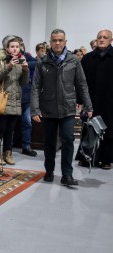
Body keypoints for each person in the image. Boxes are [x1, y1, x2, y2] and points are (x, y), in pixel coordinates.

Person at [31, 29, 93, 186]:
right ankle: (49, 171)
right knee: (49, 143)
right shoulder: (42, 61)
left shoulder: (73, 61)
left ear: (65, 42)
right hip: (48, 108)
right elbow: (36, 87)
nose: (57, 43)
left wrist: (88, 105)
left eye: (60, 40)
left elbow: (82, 84)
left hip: (68, 108)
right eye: (54, 40)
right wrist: (35, 109)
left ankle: (67, 175)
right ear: (50, 42)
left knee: (68, 140)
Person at [0, 36, 29, 165]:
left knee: (10, 130)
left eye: (17, 46)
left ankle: (8, 153)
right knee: (0, 129)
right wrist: (9, 66)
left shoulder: (20, 61)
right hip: (2, 98)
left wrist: (25, 70)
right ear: (7, 48)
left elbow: (24, 82)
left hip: (15, 99)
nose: (14, 49)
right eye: (12, 46)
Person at [80, 29, 113, 169]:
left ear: (111, 40)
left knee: (109, 129)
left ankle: (106, 159)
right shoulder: (87, 58)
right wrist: (80, 100)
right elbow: (80, 82)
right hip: (91, 100)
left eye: (105, 37)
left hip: (110, 101)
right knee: (89, 128)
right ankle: (86, 156)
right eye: (99, 37)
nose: (101, 39)